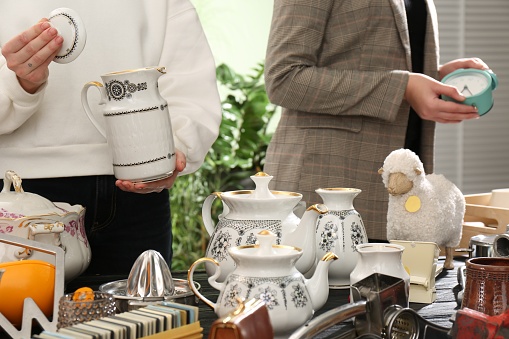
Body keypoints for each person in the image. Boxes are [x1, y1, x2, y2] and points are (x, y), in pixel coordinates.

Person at [0, 0, 222, 276]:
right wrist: (18, 84)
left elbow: (189, 87)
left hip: (138, 196)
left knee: (145, 317)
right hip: (18, 199)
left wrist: (172, 150)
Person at [263, 0, 491, 241]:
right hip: (327, 193)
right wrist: (402, 87)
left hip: (400, 199)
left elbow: (372, 57)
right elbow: (283, 78)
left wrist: (433, 78)